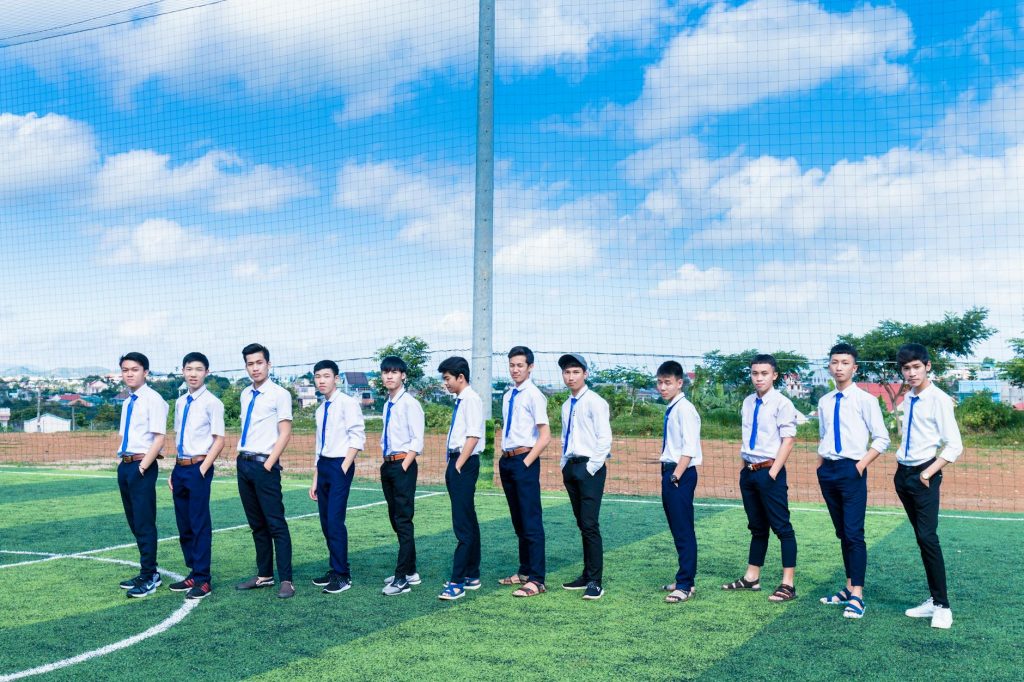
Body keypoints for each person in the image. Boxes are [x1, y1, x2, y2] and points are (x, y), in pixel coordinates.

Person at [816, 343, 889, 619]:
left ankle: (857, 595)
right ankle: (848, 588)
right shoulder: (824, 401)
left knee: (854, 533)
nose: (839, 367)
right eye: (834, 362)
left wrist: (860, 465)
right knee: (842, 533)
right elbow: (824, 435)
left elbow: (882, 438)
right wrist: (821, 466)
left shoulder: (865, 401)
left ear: (854, 367)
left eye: (845, 362)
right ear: (829, 366)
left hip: (852, 470)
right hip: (828, 472)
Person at [894, 343, 963, 630]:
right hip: (902, 475)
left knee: (928, 538)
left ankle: (943, 607)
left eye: (916, 367)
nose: (911, 373)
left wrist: (928, 473)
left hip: (924, 475)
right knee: (921, 539)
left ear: (928, 366)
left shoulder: (940, 399)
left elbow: (955, 445)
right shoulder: (907, 399)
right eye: (906, 368)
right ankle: (933, 600)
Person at [722, 354, 799, 602]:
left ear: (774, 375)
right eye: (755, 373)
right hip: (749, 472)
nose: (759, 378)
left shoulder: (782, 404)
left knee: (782, 528)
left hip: (769, 471)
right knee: (756, 527)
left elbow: (788, 439)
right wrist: (744, 468)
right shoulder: (747, 402)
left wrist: (773, 472)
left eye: (764, 373)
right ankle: (751, 577)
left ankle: (788, 584)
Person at [234, 343, 296, 599]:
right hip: (244, 463)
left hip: (264, 465)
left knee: (275, 524)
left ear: (268, 364)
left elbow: (285, 432)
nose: (255, 367)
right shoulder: (245, 394)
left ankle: (287, 580)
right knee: (256, 525)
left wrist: (269, 462)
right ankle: (264, 575)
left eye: (259, 362)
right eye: (250, 363)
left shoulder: (280, 394)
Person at [167, 352, 225, 600]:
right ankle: (192, 570)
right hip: (180, 467)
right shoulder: (180, 402)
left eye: (198, 369)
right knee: (184, 523)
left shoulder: (213, 403)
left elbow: (219, 440)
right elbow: (179, 437)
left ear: (206, 373)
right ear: (182, 371)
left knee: (199, 523)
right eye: (189, 369)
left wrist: (203, 467)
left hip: (199, 467)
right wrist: (174, 468)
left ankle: (203, 579)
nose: (193, 374)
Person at [498, 346, 551, 598]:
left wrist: (526, 462)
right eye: (512, 365)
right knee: (518, 520)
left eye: (520, 365)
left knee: (531, 520)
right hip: (507, 460)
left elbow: (545, 436)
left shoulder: (534, 395)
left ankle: (537, 579)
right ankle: (524, 571)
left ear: (530, 367)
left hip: (524, 460)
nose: (515, 369)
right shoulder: (508, 395)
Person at [557, 353, 612, 601]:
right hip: (571, 466)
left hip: (589, 468)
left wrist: (592, 467)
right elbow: (564, 436)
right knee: (582, 524)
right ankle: (586, 574)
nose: (571, 376)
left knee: (590, 525)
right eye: (567, 372)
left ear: (585, 374)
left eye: (576, 372)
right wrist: (563, 464)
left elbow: (604, 438)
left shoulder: (595, 402)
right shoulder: (566, 405)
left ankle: (595, 581)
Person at [308, 360, 365, 595]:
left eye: (326, 376)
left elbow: (357, 435)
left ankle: (343, 575)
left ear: (336, 379)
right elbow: (319, 445)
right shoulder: (321, 409)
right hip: (323, 466)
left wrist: (344, 466)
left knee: (334, 521)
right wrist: (315, 477)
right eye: (318, 376)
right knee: (324, 522)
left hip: (340, 464)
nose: (321, 380)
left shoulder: (348, 403)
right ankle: (335, 568)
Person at [115, 352, 169, 598]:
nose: (129, 374)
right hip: (125, 464)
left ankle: (150, 575)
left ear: (145, 372)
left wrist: (142, 467)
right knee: (134, 522)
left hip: (141, 466)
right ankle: (147, 570)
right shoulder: (128, 402)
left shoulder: (153, 399)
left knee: (145, 522)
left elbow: (159, 438)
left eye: (134, 369)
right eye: (125, 370)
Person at [436, 356, 485, 601]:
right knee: (468, 518)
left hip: (462, 464)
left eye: (447, 378)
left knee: (462, 524)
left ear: (460, 377)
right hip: (458, 462)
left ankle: (457, 583)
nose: (445, 383)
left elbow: (474, 435)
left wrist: (458, 465)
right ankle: (471, 574)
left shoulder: (471, 400)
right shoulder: (461, 400)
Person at [655, 360, 702, 604]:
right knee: (678, 529)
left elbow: (690, 447)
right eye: (660, 382)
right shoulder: (673, 407)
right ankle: (685, 578)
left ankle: (685, 585)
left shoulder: (685, 409)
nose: (663, 387)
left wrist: (675, 476)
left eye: (668, 383)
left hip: (680, 474)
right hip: (671, 472)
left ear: (679, 383)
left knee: (683, 530)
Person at [378, 355, 425, 597]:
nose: (389, 376)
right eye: (386, 372)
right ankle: (411, 571)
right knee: (396, 519)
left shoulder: (410, 404)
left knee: (404, 520)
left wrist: (404, 465)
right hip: (388, 466)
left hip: (402, 465)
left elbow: (417, 439)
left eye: (394, 372)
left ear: (403, 375)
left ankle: (401, 578)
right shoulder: (388, 404)